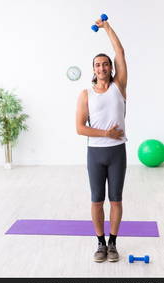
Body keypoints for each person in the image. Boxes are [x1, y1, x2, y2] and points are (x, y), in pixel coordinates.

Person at [76, 17, 127, 262]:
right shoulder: (85, 94)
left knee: (116, 199)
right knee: (97, 201)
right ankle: (100, 244)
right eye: (98, 65)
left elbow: (120, 51)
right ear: (93, 69)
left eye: (106, 64)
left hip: (117, 152)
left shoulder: (119, 86)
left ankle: (113, 244)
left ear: (111, 68)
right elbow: (79, 128)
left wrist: (107, 28)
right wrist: (105, 133)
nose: (102, 68)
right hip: (96, 153)